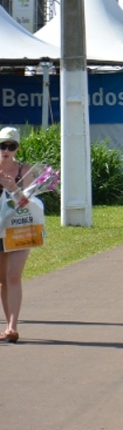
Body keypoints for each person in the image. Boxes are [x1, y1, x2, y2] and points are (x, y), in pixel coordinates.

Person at [0, 127, 31, 343]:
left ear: (17, 148)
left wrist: (14, 188)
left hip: (19, 228)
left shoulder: (24, 171)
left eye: (11, 146)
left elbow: (30, 202)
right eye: (3, 145)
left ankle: (13, 326)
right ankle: (7, 326)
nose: (6, 150)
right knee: (2, 279)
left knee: (14, 276)